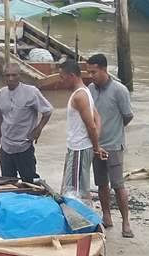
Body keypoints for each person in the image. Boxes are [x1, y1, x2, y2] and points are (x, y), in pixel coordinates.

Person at [87, 54, 134, 237]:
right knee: (101, 184)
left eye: (94, 72)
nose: (91, 75)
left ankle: (126, 222)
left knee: (118, 184)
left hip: (114, 146)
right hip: (96, 145)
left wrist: (115, 130)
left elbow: (128, 116)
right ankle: (106, 216)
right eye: (89, 72)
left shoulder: (119, 90)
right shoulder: (90, 89)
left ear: (104, 70)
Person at [0, 63, 53, 182]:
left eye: (14, 75)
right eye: (7, 75)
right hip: (6, 147)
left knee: (29, 182)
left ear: (19, 76)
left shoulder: (31, 92)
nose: (10, 78)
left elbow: (48, 111)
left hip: (24, 146)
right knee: (9, 183)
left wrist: (38, 129)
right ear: (4, 76)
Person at [59, 60, 107, 205]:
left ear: (72, 76)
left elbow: (91, 125)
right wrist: (94, 145)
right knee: (81, 188)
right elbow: (97, 118)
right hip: (81, 147)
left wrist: (96, 146)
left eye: (62, 77)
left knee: (73, 191)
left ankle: (82, 221)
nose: (61, 81)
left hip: (78, 149)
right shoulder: (86, 91)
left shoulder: (79, 96)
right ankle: (87, 219)